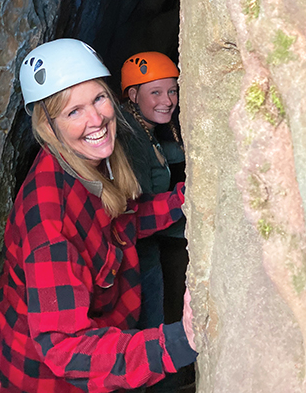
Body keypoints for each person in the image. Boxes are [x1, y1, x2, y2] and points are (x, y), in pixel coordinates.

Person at [0, 39, 197, 392]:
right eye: (74, 112)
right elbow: (66, 349)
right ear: (48, 125)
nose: (96, 118)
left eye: (99, 99)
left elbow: (124, 221)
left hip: (102, 342)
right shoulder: (50, 223)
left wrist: (187, 199)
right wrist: (180, 343)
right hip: (48, 381)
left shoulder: (91, 167)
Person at [120, 52, 191, 391]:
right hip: (135, 263)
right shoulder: (130, 139)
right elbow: (139, 213)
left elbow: (167, 155)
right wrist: (190, 200)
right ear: (132, 95)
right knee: (148, 338)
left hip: (143, 256)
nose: (168, 101)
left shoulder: (143, 130)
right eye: (156, 93)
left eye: (173, 91)